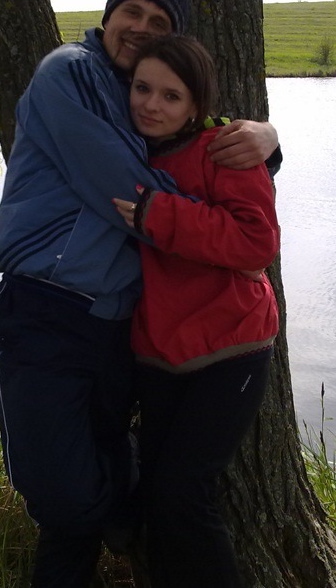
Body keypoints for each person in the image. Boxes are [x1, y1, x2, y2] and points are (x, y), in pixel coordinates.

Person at [0, 0, 280, 588]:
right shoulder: (69, 72)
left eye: (160, 22)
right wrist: (230, 215)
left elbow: (184, 138)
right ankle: (117, 512)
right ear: (108, 16)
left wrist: (263, 144)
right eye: (133, 13)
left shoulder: (135, 97)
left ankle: (116, 521)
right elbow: (126, 185)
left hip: (120, 323)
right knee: (63, 495)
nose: (142, 28)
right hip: (46, 308)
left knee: (84, 508)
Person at [113, 35, 280, 588]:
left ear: (195, 105)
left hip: (230, 348)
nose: (151, 105)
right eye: (142, 88)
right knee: (157, 499)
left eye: (171, 96)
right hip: (161, 352)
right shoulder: (125, 148)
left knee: (183, 493)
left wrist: (162, 215)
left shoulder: (221, 148)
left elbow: (257, 243)